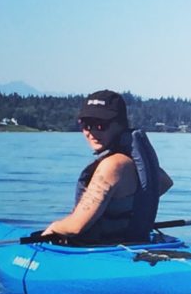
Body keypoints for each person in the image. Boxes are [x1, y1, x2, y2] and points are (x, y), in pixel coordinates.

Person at [43, 90, 173, 244]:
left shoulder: (112, 166)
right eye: (86, 125)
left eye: (100, 125)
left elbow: (76, 227)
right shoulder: (133, 161)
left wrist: (53, 228)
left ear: (120, 125)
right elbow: (165, 182)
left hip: (103, 250)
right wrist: (124, 206)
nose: (91, 132)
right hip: (132, 244)